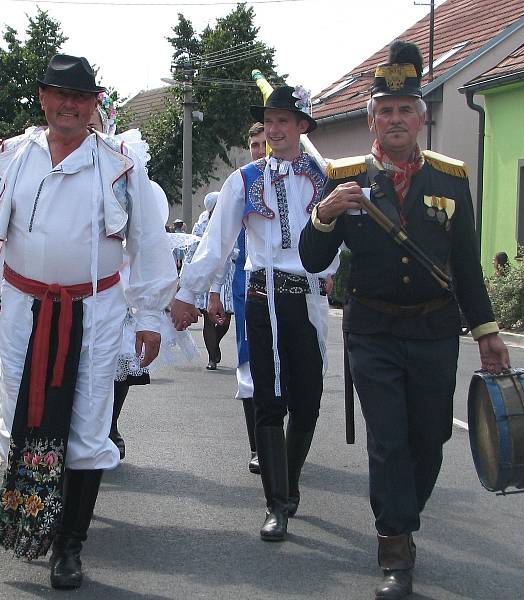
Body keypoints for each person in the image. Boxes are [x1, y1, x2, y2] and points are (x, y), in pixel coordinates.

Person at [0, 53, 176, 590]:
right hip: (23, 311)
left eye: (80, 97)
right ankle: (39, 524)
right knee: (21, 417)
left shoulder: (119, 164)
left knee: (89, 424)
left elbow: (148, 243)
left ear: (95, 104)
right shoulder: (10, 159)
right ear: (44, 99)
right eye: (59, 95)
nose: (69, 106)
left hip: (95, 312)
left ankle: (70, 546)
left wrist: (150, 317)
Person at [299, 40, 511, 600]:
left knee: (430, 438)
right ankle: (395, 542)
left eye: (405, 110)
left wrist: (488, 333)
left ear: (421, 117)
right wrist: (323, 214)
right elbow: (311, 259)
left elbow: (466, 262)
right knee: (389, 440)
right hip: (373, 331)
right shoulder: (343, 177)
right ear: (371, 119)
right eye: (385, 111)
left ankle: (402, 513)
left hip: (435, 330)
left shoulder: (449, 178)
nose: (395, 120)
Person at [171, 85, 340, 542]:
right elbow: (216, 243)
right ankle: (276, 502)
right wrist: (190, 292)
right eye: (270, 120)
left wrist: (335, 269)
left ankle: (290, 477)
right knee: (268, 399)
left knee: (308, 401)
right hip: (261, 298)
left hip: (305, 299)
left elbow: (341, 239)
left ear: (302, 127)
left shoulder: (326, 177)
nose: (275, 129)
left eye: (285, 120)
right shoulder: (244, 180)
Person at [210, 122, 266, 474]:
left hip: (296, 293)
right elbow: (222, 243)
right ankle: (258, 446)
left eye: (265, 143)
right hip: (250, 291)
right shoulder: (243, 184)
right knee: (250, 365)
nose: (261, 150)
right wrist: (214, 290)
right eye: (256, 144)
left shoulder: (303, 178)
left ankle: (277, 437)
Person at [189, 192, 234, 371]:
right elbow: (193, 249)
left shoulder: (231, 221)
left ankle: (216, 345)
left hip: (228, 274)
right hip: (207, 274)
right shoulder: (201, 226)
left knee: (226, 319)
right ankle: (212, 356)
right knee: (209, 319)